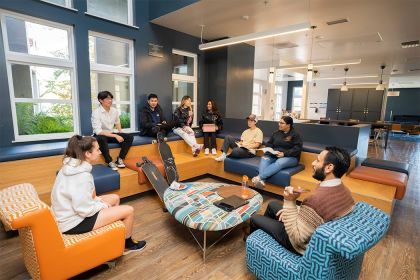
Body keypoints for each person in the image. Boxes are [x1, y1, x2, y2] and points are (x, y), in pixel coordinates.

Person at [249, 146, 355, 255]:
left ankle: (253, 246)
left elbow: (297, 238)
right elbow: (320, 215)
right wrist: (298, 210)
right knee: (272, 205)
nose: (313, 163)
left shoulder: (316, 200)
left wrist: (290, 202)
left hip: (299, 245)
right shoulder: (345, 191)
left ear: (329, 168)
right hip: (313, 229)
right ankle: (261, 241)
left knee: (254, 218)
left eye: (318, 160)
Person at [51, 135, 146, 255]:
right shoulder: (81, 176)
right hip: (73, 222)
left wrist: (99, 202)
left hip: (69, 213)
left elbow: (85, 198)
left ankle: (113, 237)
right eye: (97, 149)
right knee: (129, 211)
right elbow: (84, 209)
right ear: (87, 154)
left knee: (115, 198)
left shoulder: (71, 167)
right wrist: (103, 206)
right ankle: (127, 245)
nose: (100, 152)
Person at [252, 116, 303, 189]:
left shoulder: (295, 135)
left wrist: (284, 154)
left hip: (290, 157)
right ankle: (261, 181)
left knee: (280, 162)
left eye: (282, 123)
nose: (279, 124)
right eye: (279, 122)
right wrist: (270, 150)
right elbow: (269, 143)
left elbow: (297, 149)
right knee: (264, 158)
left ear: (288, 125)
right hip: (274, 155)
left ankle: (259, 177)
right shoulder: (276, 133)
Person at [91, 91, 133, 171]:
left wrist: (120, 132)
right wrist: (116, 135)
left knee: (130, 137)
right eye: (107, 98)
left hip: (111, 134)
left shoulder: (114, 111)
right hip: (101, 135)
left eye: (111, 98)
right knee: (101, 139)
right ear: (101, 100)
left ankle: (120, 159)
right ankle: (109, 161)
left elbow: (117, 122)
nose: (110, 100)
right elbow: (98, 131)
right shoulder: (96, 113)